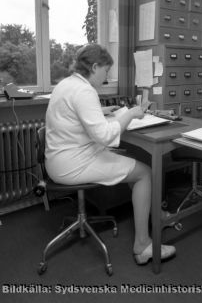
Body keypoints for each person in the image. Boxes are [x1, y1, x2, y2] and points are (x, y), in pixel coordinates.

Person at [45, 43, 176, 265]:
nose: (106, 77)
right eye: (106, 71)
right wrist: (132, 113)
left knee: (133, 166)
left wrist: (104, 111)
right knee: (144, 172)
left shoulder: (67, 84)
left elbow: (75, 113)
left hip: (57, 158)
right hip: (73, 163)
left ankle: (155, 216)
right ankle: (143, 245)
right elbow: (105, 136)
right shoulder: (85, 90)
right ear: (95, 67)